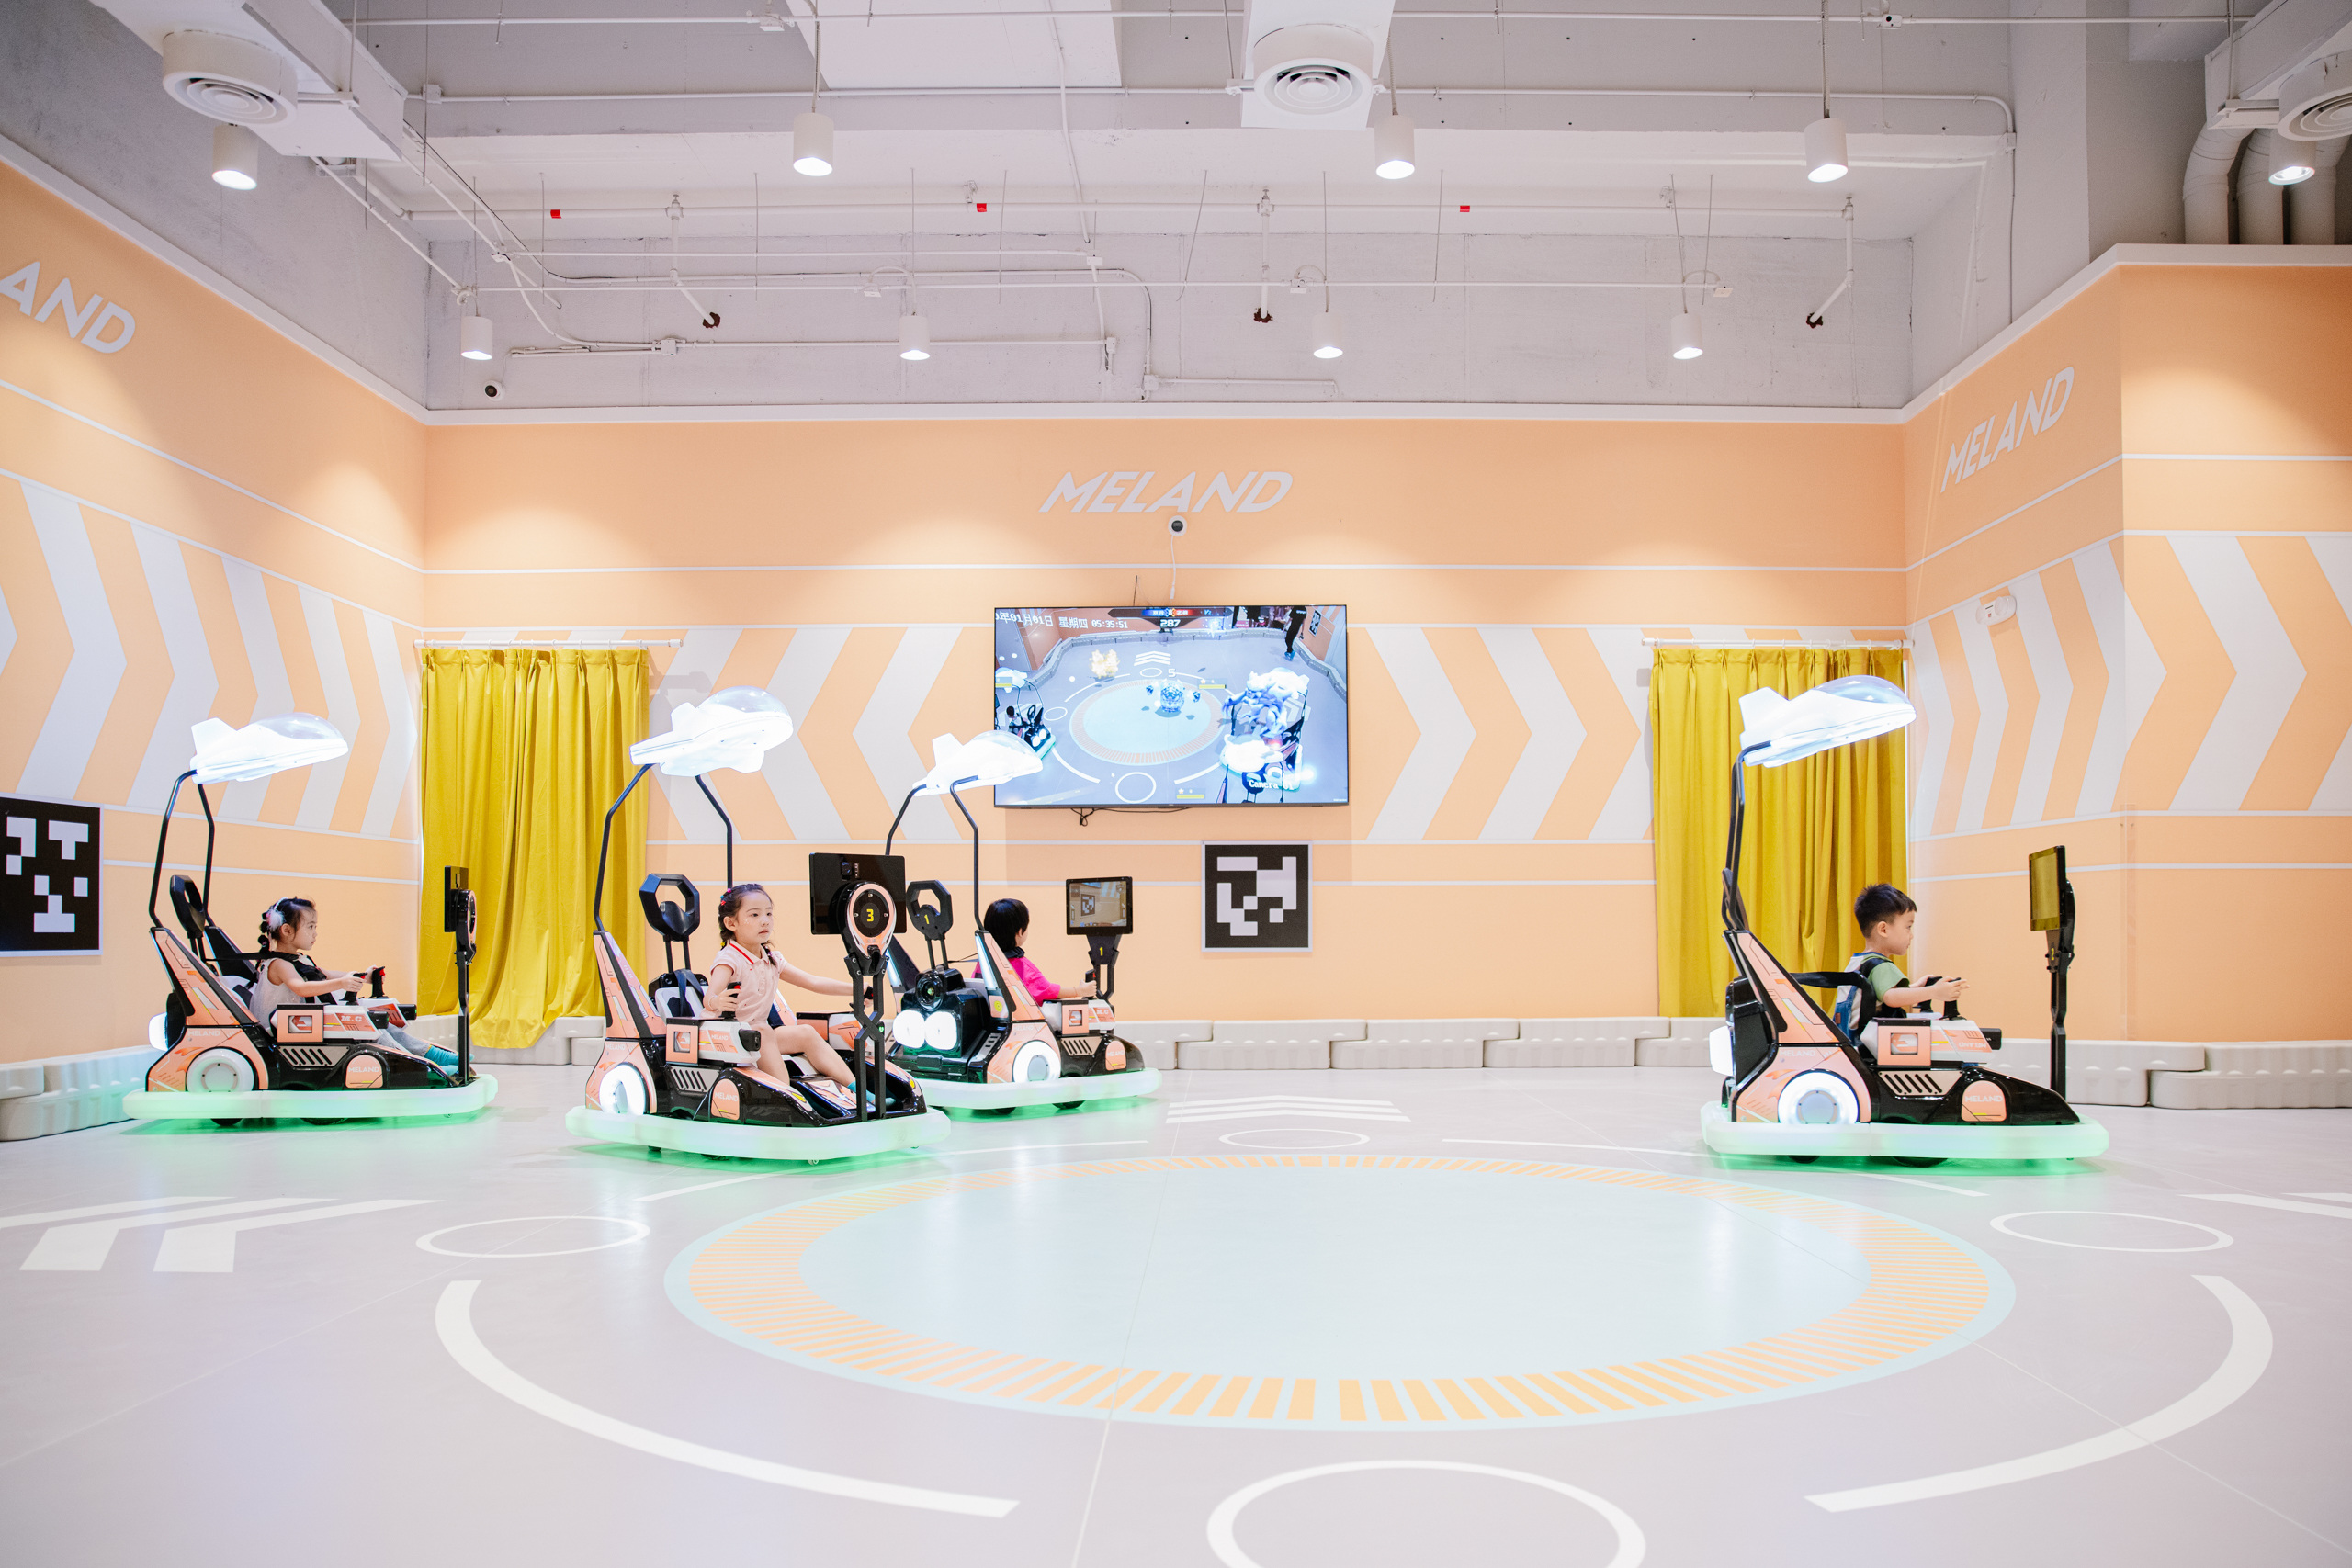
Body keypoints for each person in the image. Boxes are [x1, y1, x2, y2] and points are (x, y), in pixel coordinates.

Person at [252, 897, 459, 1073]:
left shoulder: (300, 960)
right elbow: (301, 988)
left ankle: (432, 1055)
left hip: (303, 1024)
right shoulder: (279, 964)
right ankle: (420, 1068)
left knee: (379, 1022)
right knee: (368, 1026)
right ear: (287, 930)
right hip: (290, 1028)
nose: (315, 933)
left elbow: (325, 975)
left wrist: (364, 977)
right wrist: (341, 983)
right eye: (310, 927)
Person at [705, 883, 858, 1089]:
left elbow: (813, 982)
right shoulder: (729, 958)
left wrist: (858, 989)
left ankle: (858, 1091)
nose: (765, 921)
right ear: (731, 923)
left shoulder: (772, 958)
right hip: (726, 1037)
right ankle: (787, 1095)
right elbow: (709, 998)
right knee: (763, 1030)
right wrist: (717, 1001)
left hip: (755, 1034)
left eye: (768, 913)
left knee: (805, 1032)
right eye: (754, 915)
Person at [1835, 883, 1971, 1034]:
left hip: (1851, 1040)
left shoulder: (1858, 962)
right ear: (1883, 929)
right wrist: (1934, 991)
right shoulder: (1880, 965)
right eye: (1908, 927)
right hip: (1869, 1045)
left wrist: (1916, 988)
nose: (1911, 935)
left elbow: (1878, 996)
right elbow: (1891, 998)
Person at [976, 897, 1091, 1003]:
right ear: (1020, 931)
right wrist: (1080, 991)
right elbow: (1047, 991)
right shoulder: (1022, 966)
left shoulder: (983, 963)